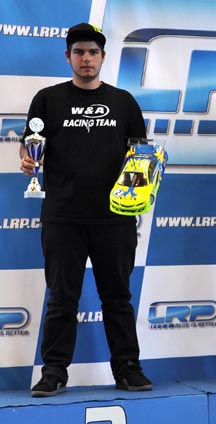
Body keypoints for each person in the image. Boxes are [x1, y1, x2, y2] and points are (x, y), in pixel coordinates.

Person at [20, 23, 152, 397]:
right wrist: (28, 161)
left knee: (118, 298)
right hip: (63, 215)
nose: (86, 58)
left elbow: (140, 156)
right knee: (62, 298)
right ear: (68, 56)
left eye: (93, 52)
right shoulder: (47, 99)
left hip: (115, 217)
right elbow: (30, 144)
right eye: (79, 52)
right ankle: (54, 371)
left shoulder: (124, 102)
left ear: (103, 57)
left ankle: (128, 369)